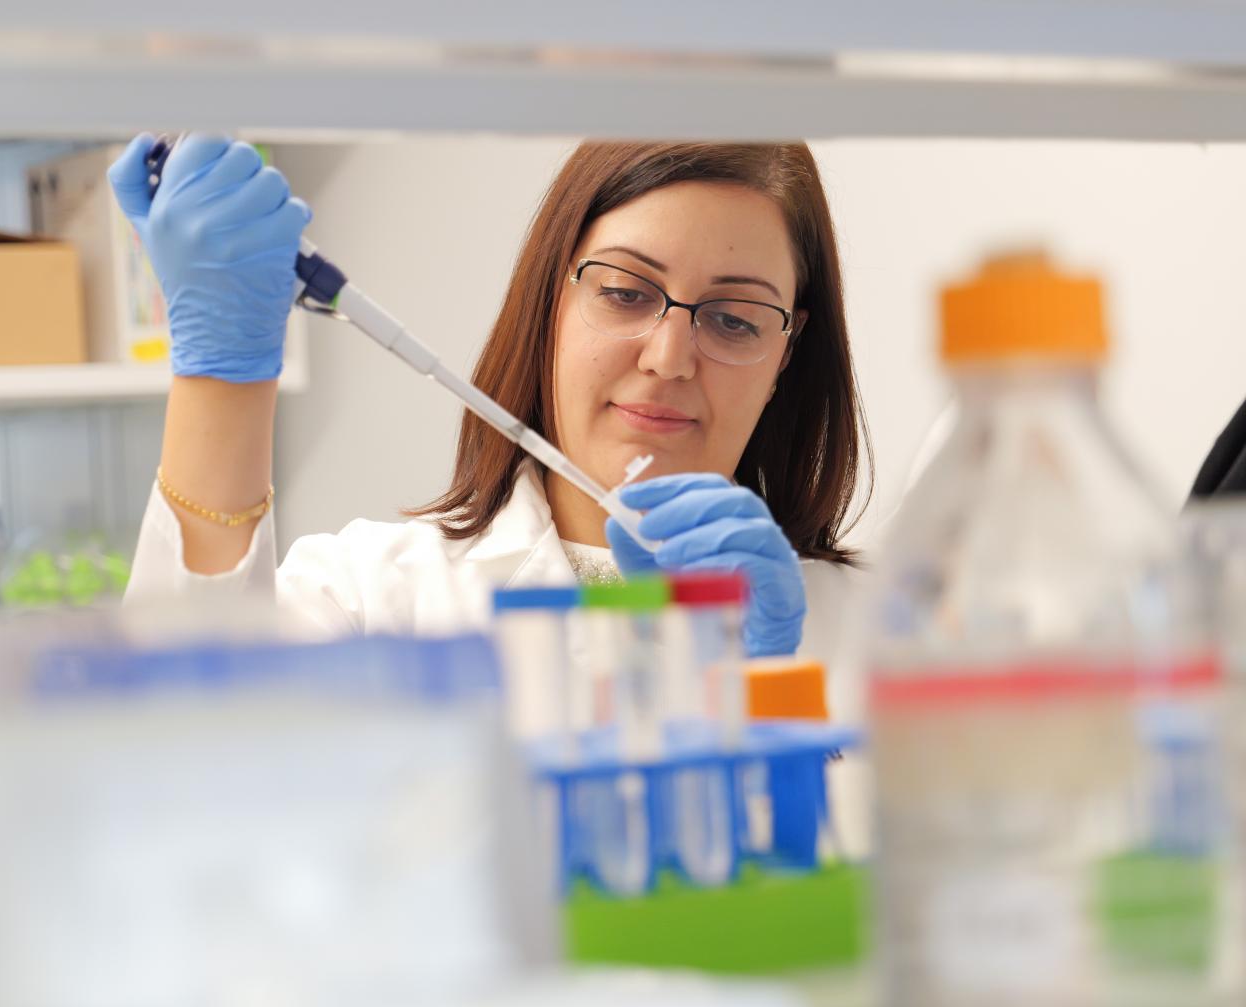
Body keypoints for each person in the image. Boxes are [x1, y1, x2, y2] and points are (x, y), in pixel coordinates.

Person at [117, 134, 871, 661]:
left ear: (787, 353)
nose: (670, 357)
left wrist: (764, 680)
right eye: (624, 291)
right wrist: (222, 376)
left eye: (735, 319)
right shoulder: (371, 601)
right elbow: (168, 779)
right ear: (551, 298)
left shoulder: (875, 629)